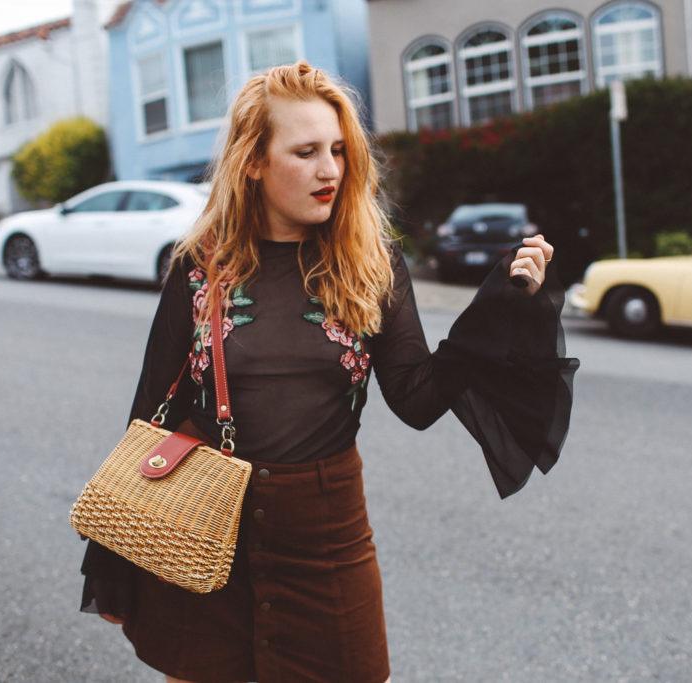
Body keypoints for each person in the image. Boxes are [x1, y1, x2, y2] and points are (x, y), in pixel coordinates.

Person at [78, 61, 578, 683]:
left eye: (339, 150)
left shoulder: (373, 262)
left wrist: (494, 311)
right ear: (253, 162)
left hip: (326, 539)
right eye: (307, 151)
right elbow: (150, 406)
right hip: (203, 528)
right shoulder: (200, 266)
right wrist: (114, 559)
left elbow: (417, 400)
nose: (330, 170)